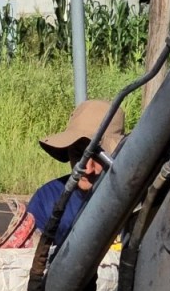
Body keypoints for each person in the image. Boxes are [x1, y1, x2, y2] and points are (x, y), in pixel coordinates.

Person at [27, 98, 125, 246]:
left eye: (98, 156)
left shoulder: (133, 200)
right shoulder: (47, 200)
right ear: (68, 151)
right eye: (79, 154)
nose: (87, 168)